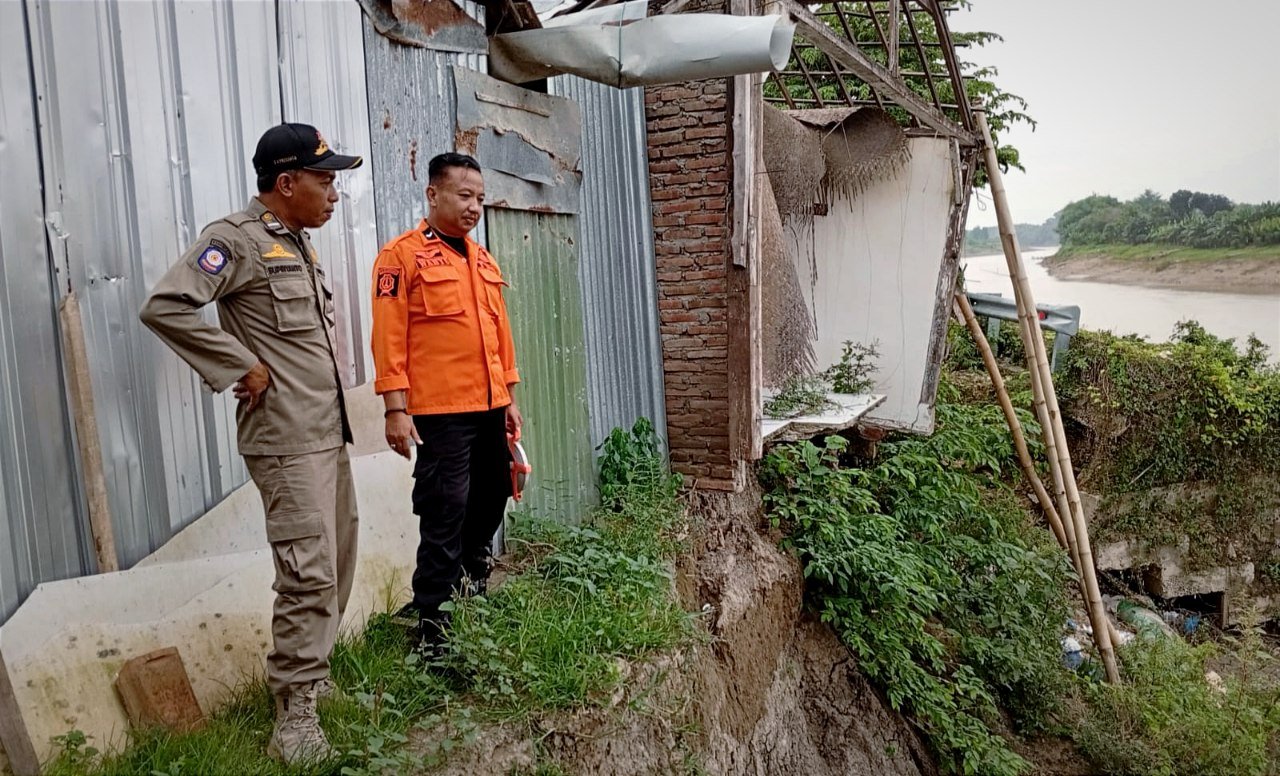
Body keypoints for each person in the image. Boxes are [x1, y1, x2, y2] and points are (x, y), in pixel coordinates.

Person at [139, 123, 363, 764]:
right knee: (307, 573)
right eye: (324, 181)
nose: (334, 193)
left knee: (338, 560)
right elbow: (167, 306)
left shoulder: (296, 244)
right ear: (286, 183)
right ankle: (292, 714)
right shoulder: (233, 242)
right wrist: (240, 365)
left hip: (324, 432)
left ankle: (314, 681)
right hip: (285, 439)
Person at [370, 152, 522, 651]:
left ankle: (471, 582)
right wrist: (395, 407)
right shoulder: (402, 257)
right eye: (464, 195)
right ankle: (433, 626)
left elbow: (501, 336)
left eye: (479, 197)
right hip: (440, 412)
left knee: (493, 496)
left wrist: (509, 397)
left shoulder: (482, 260)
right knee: (445, 509)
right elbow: (388, 338)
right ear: (433, 194)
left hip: (489, 405)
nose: (474, 206)